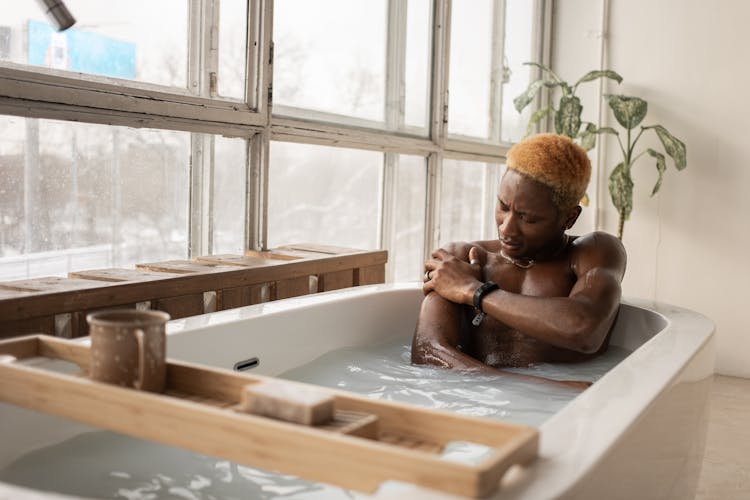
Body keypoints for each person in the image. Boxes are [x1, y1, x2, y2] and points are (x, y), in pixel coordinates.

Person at [411, 133, 626, 389]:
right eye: (503, 206)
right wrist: (542, 389)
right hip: (480, 404)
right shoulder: (459, 258)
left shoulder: (594, 252)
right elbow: (427, 353)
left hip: (566, 414)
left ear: (569, 218)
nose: (507, 229)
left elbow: (584, 329)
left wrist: (474, 291)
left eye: (528, 219)